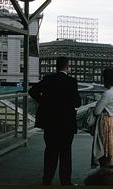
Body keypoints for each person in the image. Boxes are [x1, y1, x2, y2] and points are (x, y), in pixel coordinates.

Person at [28, 56, 81, 185]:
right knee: (65, 153)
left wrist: (44, 102)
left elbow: (32, 91)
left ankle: (47, 180)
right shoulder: (71, 82)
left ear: (56, 66)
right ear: (67, 67)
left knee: (50, 152)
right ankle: (65, 182)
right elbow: (77, 103)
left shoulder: (48, 79)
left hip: (50, 123)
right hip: (66, 123)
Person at [92, 68, 113, 168]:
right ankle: (107, 175)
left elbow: (97, 111)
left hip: (106, 123)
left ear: (106, 80)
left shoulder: (107, 93)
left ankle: (104, 176)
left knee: (103, 152)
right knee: (108, 153)